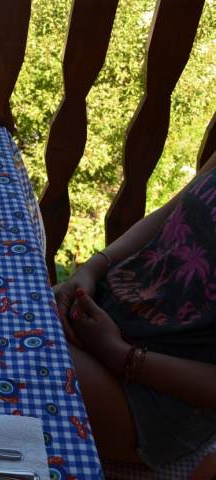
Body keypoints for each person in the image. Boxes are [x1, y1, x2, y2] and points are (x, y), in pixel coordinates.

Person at [54, 151, 216, 467]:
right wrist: (91, 270)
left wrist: (121, 355)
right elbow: (170, 213)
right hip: (104, 311)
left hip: (151, 392)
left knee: (9, 350)